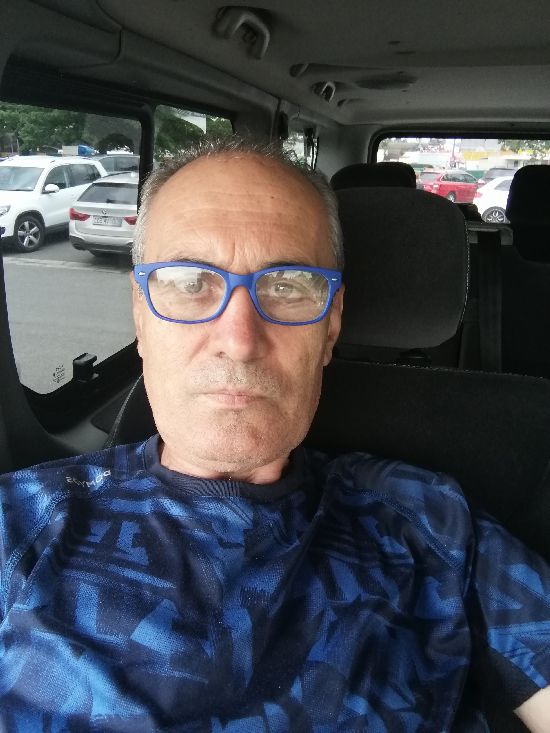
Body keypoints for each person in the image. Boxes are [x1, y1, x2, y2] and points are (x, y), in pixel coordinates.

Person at [0, 138, 549, 732]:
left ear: (331, 324)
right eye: (189, 281)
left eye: (287, 284)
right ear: (140, 310)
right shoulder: (18, 524)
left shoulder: (434, 525)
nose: (239, 340)